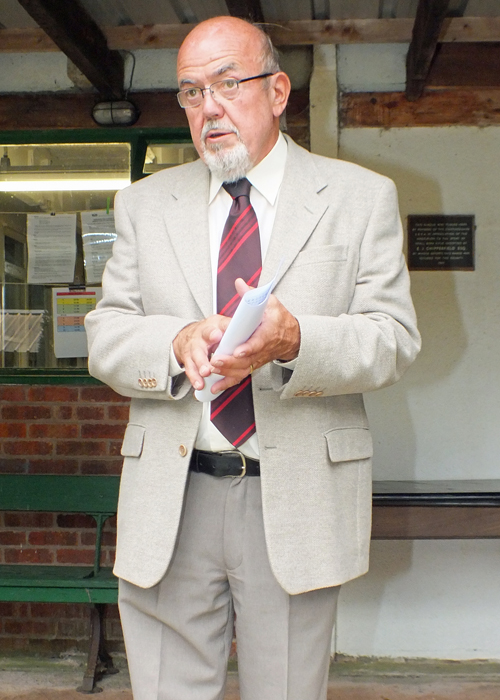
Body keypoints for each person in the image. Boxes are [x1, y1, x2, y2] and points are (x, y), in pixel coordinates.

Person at [85, 15, 420, 700]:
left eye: (227, 83)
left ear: (277, 91)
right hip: (171, 502)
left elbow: (393, 338)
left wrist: (296, 341)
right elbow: (107, 335)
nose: (208, 107)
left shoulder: (360, 199)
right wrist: (175, 343)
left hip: (292, 495)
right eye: (189, 92)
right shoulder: (144, 206)